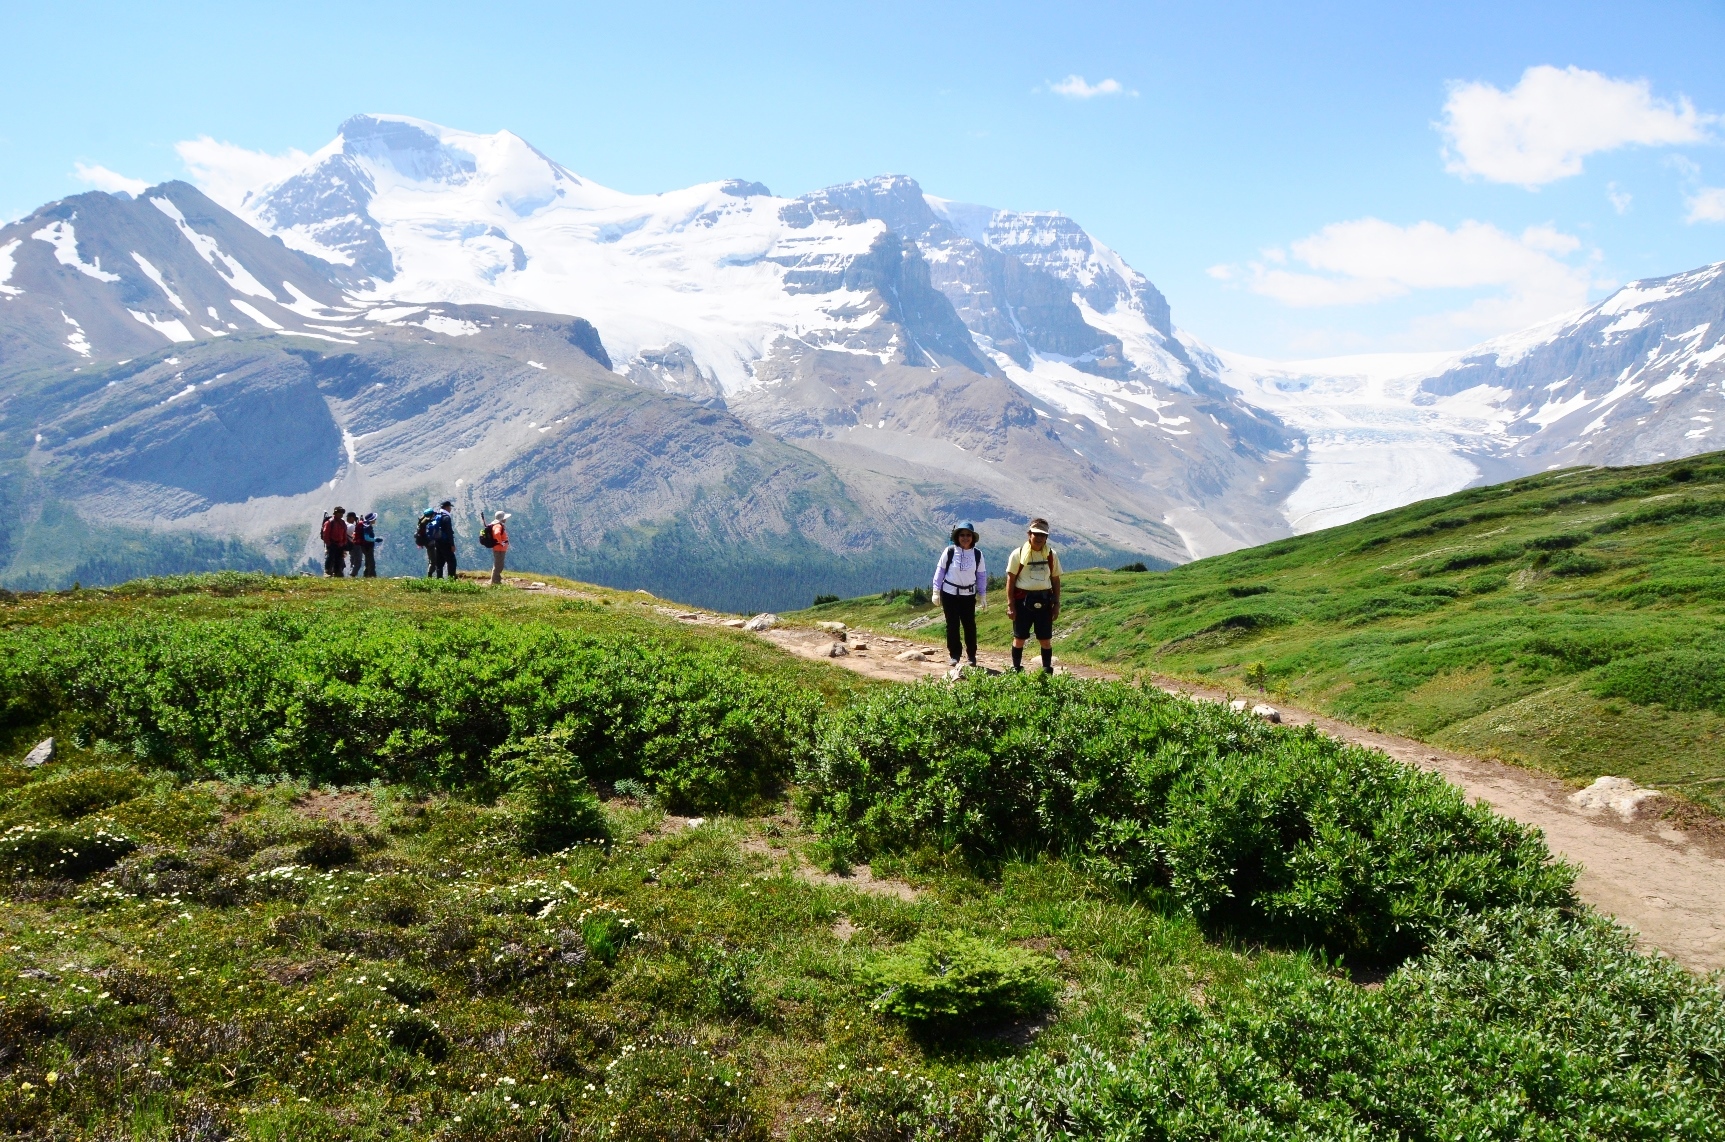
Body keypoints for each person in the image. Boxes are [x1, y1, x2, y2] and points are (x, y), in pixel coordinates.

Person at [1005, 518, 1061, 674]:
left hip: (1045, 601)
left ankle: (1046, 669)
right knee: (1019, 637)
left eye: (1043, 535)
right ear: (1029, 534)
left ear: (1046, 537)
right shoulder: (1018, 554)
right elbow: (1011, 579)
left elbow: (1056, 579)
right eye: (1036, 534)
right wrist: (1010, 605)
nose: (1039, 538)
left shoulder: (1051, 555)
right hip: (1022, 601)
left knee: (1045, 639)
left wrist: (1056, 604)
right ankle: (1016, 667)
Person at [932, 520, 986, 670]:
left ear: (972, 537)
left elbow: (981, 576)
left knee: (970, 625)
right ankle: (954, 655)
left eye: (968, 535)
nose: (965, 538)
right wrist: (936, 591)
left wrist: (982, 595)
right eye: (962, 535)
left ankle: (971, 656)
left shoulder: (977, 554)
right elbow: (940, 571)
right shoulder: (949, 551)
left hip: (968, 595)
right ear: (957, 536)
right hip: (949, 594)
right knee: (952, 625)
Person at [481, 510, 511, 585]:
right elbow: (497, 533)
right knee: (498, 565)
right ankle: (495, 581)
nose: (505, 519)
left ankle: (496, 580)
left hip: (499, 548)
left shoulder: (497, 525)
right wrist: (501, 542)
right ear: (502, 519)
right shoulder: (498, 526)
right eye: (504, 518)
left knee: (498, 564)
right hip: (499, 549)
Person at [319, 506, 348, 578]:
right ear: (335, 513)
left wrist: (344, 543)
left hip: (340, 544)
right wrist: (328, 544)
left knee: (339, 559)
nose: (341, 514)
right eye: (339, 512)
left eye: (342, 513)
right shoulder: (329, 522)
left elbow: (344, 533)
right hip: (332, 543)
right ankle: (327, 572)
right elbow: (325, 534)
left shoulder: (342, 523)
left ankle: (338, 572)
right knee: (330, 558)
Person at [432, 500, 458, 579]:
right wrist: (452, 545)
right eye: (450, 507)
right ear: (447, 507)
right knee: (452, 562)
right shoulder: (446, 517)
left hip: (437, 542)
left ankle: (439, 579)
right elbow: (449, 532)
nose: (450, 509)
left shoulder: (436, 516)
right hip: (445, 543)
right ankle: (451, 580)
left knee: (439, 563)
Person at [350, 512, 378, 578]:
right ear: (371, 519)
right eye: (374, 519)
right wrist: (375, 539)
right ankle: (371, 575)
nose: (375, 520)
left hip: (364, 546)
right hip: (367, 546)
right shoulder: (367, 527)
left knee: (368, 560)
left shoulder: (365, 525)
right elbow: (367, 538)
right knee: (371, 561)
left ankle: (367, 574)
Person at [414, 509, 438, 576]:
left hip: (424, 541)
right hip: (428, 542)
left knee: (431, 558)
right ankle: (429, 576)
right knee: (433, 560)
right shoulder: (426, 521)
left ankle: (430, 574)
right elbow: (434, 524)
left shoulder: (421, 520)